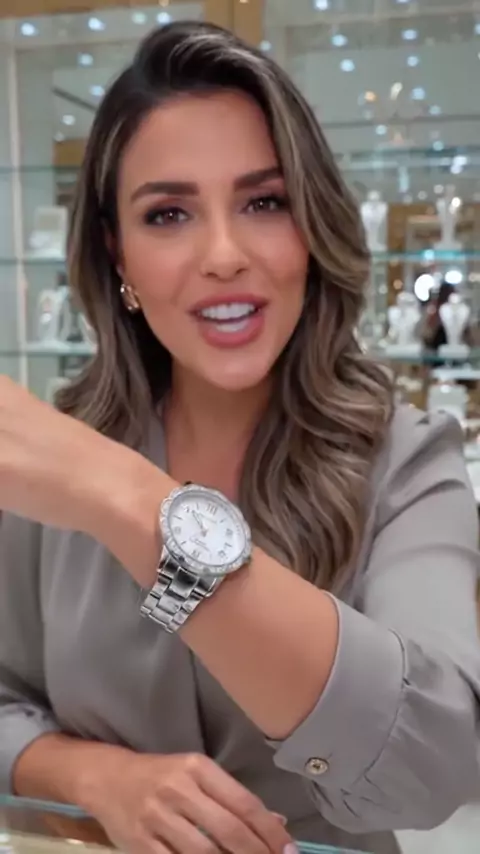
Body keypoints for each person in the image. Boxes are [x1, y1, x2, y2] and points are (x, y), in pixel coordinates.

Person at [0, 20, 479, 854]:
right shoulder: (57, 465)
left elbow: (433, 763)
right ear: (118, 254)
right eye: (168, 213)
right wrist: (86, 775)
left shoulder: (407, 461)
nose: (223, 255)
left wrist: (131, 502)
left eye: (264, 202)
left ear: (312, 226)